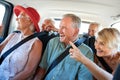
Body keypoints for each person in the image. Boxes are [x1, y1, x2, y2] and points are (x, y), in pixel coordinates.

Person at [34, 14, 94, 80]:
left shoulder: (87, 52)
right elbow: (42, 69)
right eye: (60, 27)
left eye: (64, 28)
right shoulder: (52, 42)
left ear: (76, 32)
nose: (59, 31)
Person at [0, 5, 42, 80]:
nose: (16, 19)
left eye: (21, 16)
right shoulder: (12, 35)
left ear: (30, 21)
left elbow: (29, 71)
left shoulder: (36, 43)